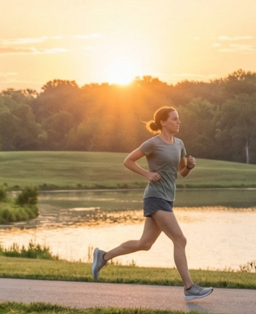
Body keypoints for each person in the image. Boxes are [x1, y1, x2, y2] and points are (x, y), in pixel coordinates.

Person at [91, 107, 213, 301]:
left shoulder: (179, 144)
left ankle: (103, 257)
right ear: (163, 122)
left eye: (178, 119)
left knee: (145, 244)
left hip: (167, 198)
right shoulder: (153, 143)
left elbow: (181, 172)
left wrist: (189, 166)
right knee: (180, 240)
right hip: (155, 197)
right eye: (174, 119)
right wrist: (147, 174)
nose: (179, 122)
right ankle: (189, 288)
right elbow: (128, 161)